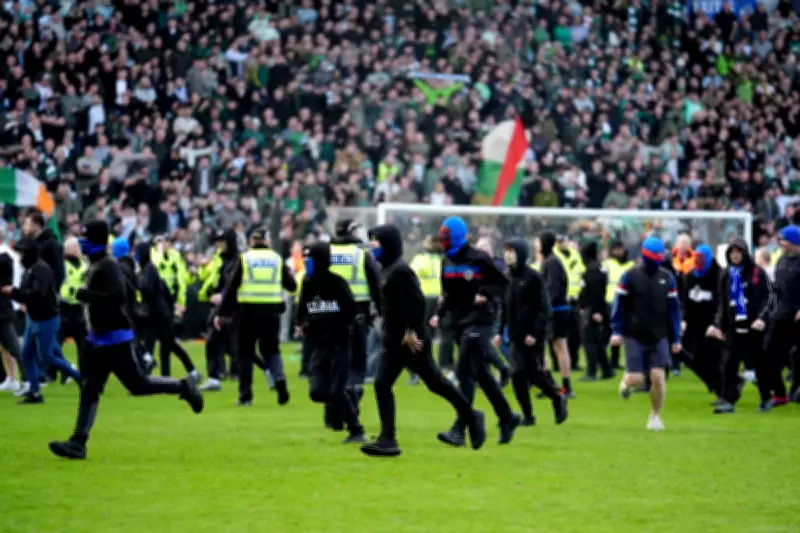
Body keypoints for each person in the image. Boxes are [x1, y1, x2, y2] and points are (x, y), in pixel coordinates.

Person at [48, 221, 203, 460]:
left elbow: (119, 296)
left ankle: (183, 386)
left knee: (138, 385)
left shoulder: (108, 265)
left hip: (116, 339)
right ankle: (78, 442)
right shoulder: (97, 264)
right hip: (100, 338)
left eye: (84, 240)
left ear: (96, 242)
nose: (80, 244)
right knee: (90, 389)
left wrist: (86, 295)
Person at [361, 225, 487, 457]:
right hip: (393, 340)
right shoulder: (383, 269)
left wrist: (410, 331)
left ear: (388, 243)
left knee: (435, 382)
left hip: (412, 341)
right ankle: (388, 439)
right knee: (381, 384)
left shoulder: (401, 271)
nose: (372, 245)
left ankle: (471, 416)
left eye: (376, 241)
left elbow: (417, 303)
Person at [430, 216, 519, 447]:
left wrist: (486, 294)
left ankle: (460, 428)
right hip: (460, 323)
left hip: (480, 322)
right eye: (441, 237)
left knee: (464, 371)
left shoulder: (479, 259)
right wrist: (438, 313)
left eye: (446, 237)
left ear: (457, 237)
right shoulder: (446, 261)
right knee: (482, 374)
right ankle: (507, 417)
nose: (443, 241)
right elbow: (448, 293)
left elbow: (502, 283)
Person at [214, 228, 296, 406]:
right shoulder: (276, 259)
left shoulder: (245, 258)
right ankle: (279, 377)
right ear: (267, 241)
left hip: (247, 313)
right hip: (271, 313)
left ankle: (246, 396)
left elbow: (231, 287)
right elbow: (291, 285)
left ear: (252, 241)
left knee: (245, 354)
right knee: (272, 350)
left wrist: (221, 313)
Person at [295, 241, 366, 444]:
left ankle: (356, 430)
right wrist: (300, 325)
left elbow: (353, 312)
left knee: (336, 390)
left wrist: (349, 331)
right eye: (305, 258)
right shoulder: (307, 283)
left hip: (339, 344)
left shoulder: (337, 283)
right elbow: (302, 310)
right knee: (316, 392)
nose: (307, 263)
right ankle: (350, 396)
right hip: (319, 345)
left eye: (311, 259)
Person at [611, 236, 682, 431]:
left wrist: (676, 338)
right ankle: (625, 383)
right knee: (637, 380)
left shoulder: (668, 278)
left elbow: (674, 311)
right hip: (634, 336)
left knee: (658, 377)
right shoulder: (629, 276)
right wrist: (617, 331)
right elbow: (619, 305)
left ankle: (655, 416)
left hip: (659, 336)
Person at [497, 238, 567, 428]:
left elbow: (544, 308)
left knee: (533, 375)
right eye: (506, 251)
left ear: (521, 253)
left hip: (532, 337)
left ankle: (557, 397)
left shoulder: (533, 277)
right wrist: (499, 331)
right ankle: (528, 416)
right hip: (514, 336)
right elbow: (504, 308)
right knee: (517, 375)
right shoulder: (506, 277)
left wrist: (535, 334)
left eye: (512, 251)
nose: (508, 255)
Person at [2, 239, 81, 404]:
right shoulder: (31, 269)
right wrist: (17, 294)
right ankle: (34, 392)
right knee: (26, 354)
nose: (20, 255)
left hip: (46, 318)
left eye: (22, 252)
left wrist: (15, 293)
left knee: (47, 356)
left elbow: (39, 295)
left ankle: (80, 378)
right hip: (34, 317)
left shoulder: (40, 270)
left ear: (29, 253)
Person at [706, 238, 775, 413]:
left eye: (738, 252)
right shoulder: (726, 275)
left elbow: (769, 298)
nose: (735, 255)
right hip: (733, 327)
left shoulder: (757, 273)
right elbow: (722, 302)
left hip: (754, 328)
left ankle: (766, 397)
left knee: (760, 365)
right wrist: (718, 325)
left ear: (745, 253)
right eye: (732, 252)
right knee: (728, 364)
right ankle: (729, 400)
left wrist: (761, 319)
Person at [330, 219, 382, 399]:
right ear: (352, 232)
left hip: (330, 311)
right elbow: (375, 284)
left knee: (335, 356)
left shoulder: (326, 252)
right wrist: (381, 310)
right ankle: (352, 393)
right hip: (358, 310)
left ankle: (333, 406)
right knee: (357, 358)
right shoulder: (362, 254)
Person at [135, 242, 200, 380]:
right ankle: (157, 376)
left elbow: (149, 289)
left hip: (158, 315)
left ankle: (189, 371)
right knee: (156, 344)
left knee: (168, 345)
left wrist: (137, 286)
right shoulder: (148, 269)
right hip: (157, 314)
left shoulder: (149, 269)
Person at [679, 244, 724, 403]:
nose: (698, 261)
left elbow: (722, 303)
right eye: (696, 258)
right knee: (687, 355)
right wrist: (683, 319)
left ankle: (722, 392)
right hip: (693, 326)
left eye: (701, 258)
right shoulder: (691, 276)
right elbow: (686, 300)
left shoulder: (720, 277)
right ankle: (717, 385)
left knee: (711, 359)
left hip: (712, 327)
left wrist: (716, 324)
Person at [198, 230, 241, 391]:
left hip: (234, 305)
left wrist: (222, 296)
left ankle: (236, 372)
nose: (219, 245)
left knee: (234, 342)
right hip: (220, 305)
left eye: (222, 241)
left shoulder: (238, 259)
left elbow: (234, 282)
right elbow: (212, 278)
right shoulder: (218, 259)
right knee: (214, 340)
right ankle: (215, 375)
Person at [762, 225, 800, 405]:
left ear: (794, 242)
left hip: (797, 316)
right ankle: (779, 393)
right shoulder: (781, 260)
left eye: (784, 240)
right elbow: (777, 288)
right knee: (769, 351)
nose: (781, 244)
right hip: (781, 314)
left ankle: (796, 389)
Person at [539, 231, 574, 398]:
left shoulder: (551, 263)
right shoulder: (549, 261)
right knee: (549, 346)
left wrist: (544, 306)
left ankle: (566, 387)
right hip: (555, 309)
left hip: (556, 310)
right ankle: (550, 384)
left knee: (560, 346)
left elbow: (553, 288)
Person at [408, 235, 442, 386]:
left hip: (439, 299)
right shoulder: (420, 259)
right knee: (422, 334)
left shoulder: (441, 259)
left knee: (434, 335)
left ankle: (431, 367)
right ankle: (417, 370)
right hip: (424, 299)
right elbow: (413, 274)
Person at [579, 241, 614, 381]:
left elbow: (595, 294)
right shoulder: (599, 268)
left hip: (592, 310)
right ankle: (606, 369)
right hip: (597, 308)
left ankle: (591, 372)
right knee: (597, 341)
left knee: (589, 341)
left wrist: (595, 311)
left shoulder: (591, 271)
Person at [602, 240, 635, 370]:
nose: (618, 252)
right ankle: (604, 360)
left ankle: (615, 360)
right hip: (609, 301)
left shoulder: (631, 265)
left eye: (620, 249)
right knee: (606, 333)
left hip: (625, 303)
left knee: (620, 333)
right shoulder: (607, 264)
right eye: (615, 249)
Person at [554, 236, 585, 372]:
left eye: (564, 241)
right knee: (558, 336)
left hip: (575, 299)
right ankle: (557, 363)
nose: (563, 244)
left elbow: (580, 272)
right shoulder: (554, 256)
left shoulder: (575, 255)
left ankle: (574, 361)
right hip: (561, 299)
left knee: (575, 333)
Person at [58, 237, 88, 373]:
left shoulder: (85, 264)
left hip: (79, 308)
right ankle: (54, 371)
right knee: (57, 342)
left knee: (83, 344)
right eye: (77, 247)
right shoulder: (62, 265)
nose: (80, 249)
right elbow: (60, 285)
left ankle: (83, 371)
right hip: (65, 307)